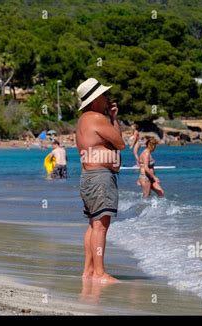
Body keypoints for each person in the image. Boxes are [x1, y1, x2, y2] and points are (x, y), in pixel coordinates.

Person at [76, 77, 125, 284]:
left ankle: (88, 271)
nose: (107, 98)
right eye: (104, 95)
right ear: (95, 99)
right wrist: (114, 119)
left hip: (88, 177)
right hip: (99, 179)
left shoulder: (83, 120)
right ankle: (99, 272)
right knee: (101, 226)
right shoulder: (97, 117)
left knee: (93, 225)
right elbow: (120, 142)